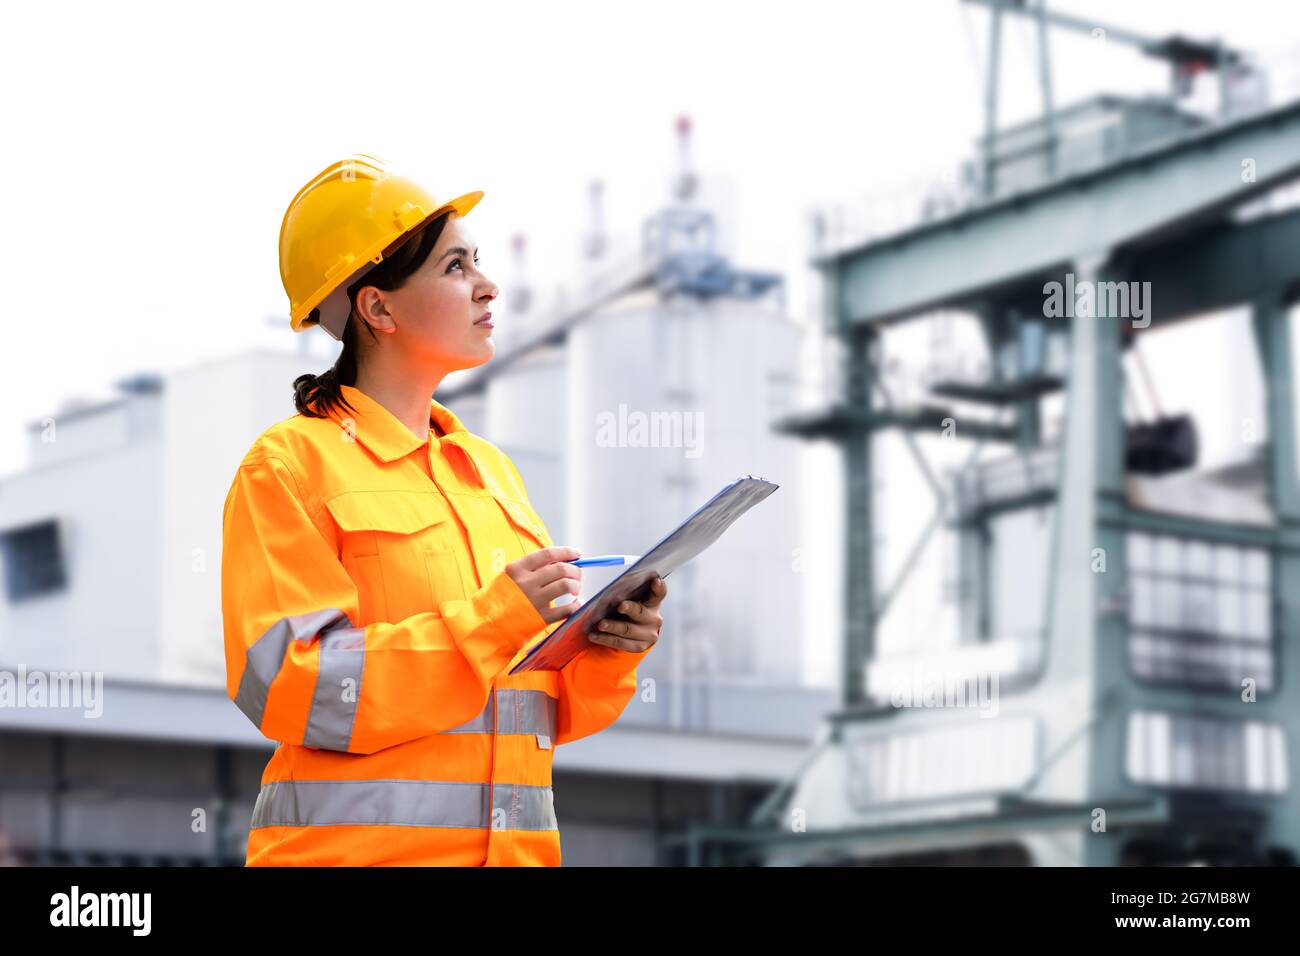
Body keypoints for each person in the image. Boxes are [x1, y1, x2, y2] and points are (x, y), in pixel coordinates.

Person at [221, 154, 667, 866]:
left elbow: (530, 708)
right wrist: (496, 618)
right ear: (377, 307)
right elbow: (292, 688)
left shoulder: (490, 474)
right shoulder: (289, 466)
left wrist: (604, 652)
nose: (488, 287)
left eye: (477, 263)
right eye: (456, 268)